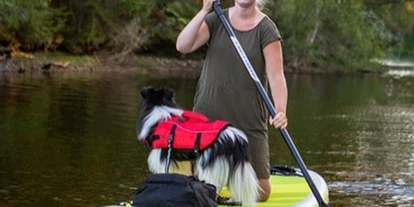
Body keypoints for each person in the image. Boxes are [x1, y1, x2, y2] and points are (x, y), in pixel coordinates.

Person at [175, 0, 288, 202]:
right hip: (209, 114)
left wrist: (280, 110)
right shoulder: (216, 19)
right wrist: (204, 10)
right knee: (201, 183)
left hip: (248, 117)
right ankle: (220, 178)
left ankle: (229, 177)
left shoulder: (266, 29)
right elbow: (183, 45)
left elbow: (276, 76)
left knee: (261, 192)